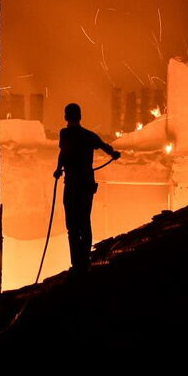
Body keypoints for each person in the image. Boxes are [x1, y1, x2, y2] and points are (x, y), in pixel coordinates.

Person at [53, 102, 120, 275]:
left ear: (66, 117)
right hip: (85, 185)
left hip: (72, 184)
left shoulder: (65, 134)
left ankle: (77, 264)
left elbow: (63, 153)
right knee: (84, 222)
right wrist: (114, 154)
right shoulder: (89, 136)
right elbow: (106, 147)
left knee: (72, 226)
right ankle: (83, 263)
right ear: (80, 117)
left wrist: (58, 169)